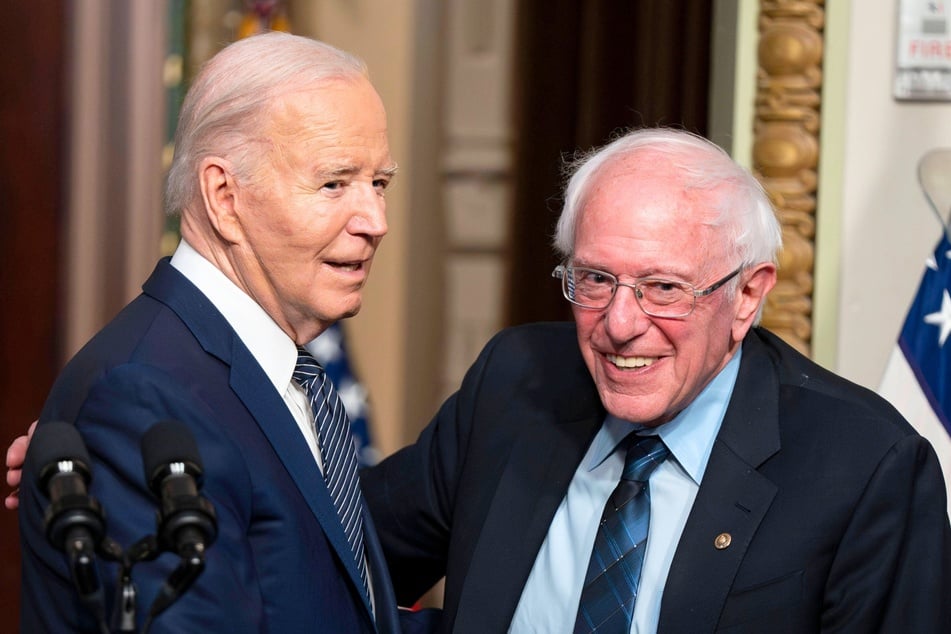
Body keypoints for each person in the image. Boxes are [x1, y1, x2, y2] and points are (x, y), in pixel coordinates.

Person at [359, 128, 951, 632]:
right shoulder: (516, 381)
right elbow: (346, 561)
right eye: (594, 279)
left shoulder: (866, 466)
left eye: (664, 289)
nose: (619, 325)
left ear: (748, 295)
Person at [15, 31, 425, 633]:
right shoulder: (141, 397)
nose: (376, 221)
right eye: (335, 183)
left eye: (379, 182)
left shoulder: (285, 373)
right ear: (224, 196)